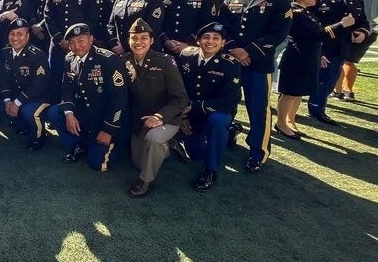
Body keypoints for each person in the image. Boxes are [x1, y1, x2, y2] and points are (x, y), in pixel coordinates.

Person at [222, 0, 291, 172]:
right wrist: (235, 49)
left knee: (258, 109)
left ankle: (258, 152)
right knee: (226, 104)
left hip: (258, 64)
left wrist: (248, 51)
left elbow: (279, 33)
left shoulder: (279, 1)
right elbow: (223, 28)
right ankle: (225, 137)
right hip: (232, 61)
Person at [45, 23, 128, 170]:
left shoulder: (108, 60)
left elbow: (119, 99)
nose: (77, 46)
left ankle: (118, 144)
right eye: (72, 42)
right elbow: (66, 89)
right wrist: (69, 114)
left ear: (91, 39)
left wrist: (108, 130)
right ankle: (79, 143)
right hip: (85, 113)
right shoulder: (70, 59)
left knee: (97, 164)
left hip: (105, 118)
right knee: (54, 112)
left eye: (81, 41)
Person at [121, 19, 189, 197]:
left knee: (153, 138)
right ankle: (168, 146)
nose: (138, 42)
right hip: (139, 120)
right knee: (138, 162)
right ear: (129, 41)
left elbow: (181, 98)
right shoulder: (124, 61)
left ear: (151, 41)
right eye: (134, 38)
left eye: (144, 38)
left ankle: (146, 181)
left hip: (166, 118)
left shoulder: (166, 61)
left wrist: (160, 117)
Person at [275, 0, 347, 138]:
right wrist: (340, 25)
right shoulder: (295, 12)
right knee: (290, 93)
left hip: (308, 57)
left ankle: (289, 120)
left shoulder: (306, 12)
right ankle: (280, 123)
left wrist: (319, 54)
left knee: (299, 92)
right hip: (297, 58)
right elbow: (312, 35)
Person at [177, 22, 242, 191]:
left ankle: (211, 171)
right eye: (205, 37)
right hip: (190, 113)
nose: (210, 41)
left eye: (216, 38)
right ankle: (229, 134)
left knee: (218, 122)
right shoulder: (186, 55)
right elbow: (178, 88)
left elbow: (229, 100)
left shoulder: (231, 64)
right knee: (196, 154)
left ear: (222, 43)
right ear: (198, 40)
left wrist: (193, 107)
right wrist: (182, 116)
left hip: (217, 112)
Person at [307, 0, 369, 125]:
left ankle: (318, 107)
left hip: (343, 47)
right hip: (322, 47)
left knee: (331, 79)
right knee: (322, 80)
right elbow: (311, 26)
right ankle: (316, 109)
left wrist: (362, 32)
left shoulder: (355, 1)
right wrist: (340, 25)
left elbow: (363, 22)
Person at [42, 0, 99, 99]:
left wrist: (76, 42)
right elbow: (48, 17)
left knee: (79, 81)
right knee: (55, 79)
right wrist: (60, 40)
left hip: (80, 48)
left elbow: (92, 20)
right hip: (57, 47)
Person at [0, 18, 50, 150]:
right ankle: (23, 125)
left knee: (29, 111)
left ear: (27, 36)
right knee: (0, 106)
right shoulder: (6, 52)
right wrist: (8, 100)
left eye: (20, 34)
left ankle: (39, 137)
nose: (15, 38)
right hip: (21, 93)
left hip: (42, 96)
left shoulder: (37, 55)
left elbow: (39, 86)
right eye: (12, 34)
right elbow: (4, 78)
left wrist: (17, 102)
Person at [336, 0, 378, 99]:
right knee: (351, 62)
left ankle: (338, 90)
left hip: (349, 29)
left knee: (340, 61)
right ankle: (348, 90)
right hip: (370, 29)